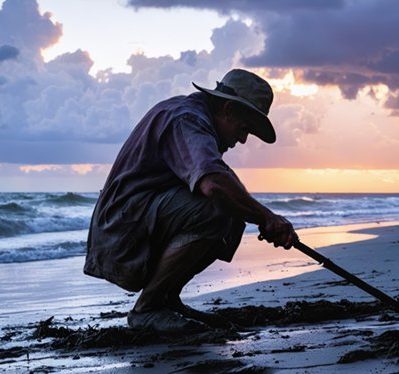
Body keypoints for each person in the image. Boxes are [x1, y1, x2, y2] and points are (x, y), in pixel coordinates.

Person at [83, 69, 297, 334]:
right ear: (228, 110)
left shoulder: (197, 118)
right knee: (217, 208)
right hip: (120, 232)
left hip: (136, 221)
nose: (242, 140)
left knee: (231, 210)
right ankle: (148, 308)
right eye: (244, 129)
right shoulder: (187, 120)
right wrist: (266, 217)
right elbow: (214, 185)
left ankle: (166, 298)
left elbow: (223, 179)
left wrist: (264, 217)